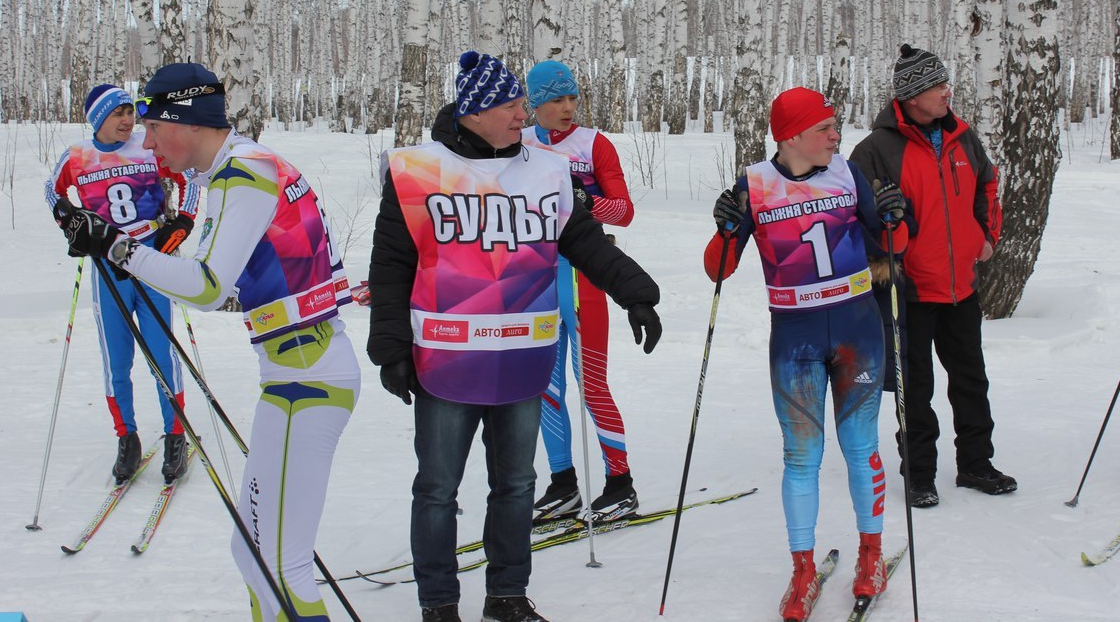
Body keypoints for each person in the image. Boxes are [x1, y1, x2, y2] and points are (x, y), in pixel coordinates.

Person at [53, 63, 359, 622]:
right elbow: (241, 288)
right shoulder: (240, 168)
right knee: (251, 553)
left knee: (280, 569)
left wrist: (118, 249)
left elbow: (207, 286)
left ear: (184, 121)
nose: (145, 141)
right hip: (294, 375)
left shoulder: (242, 172)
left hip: (310, 378)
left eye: (152, 125)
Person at [367, 50, 663, 622]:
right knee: (436, 490)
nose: (521, 113)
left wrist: (637, 292)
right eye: (509, 104)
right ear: (474, 111)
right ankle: (439, 604)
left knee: (516, 486)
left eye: (522, 103)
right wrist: (391, 349)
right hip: (447, 362)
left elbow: (585, 241)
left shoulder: (546, 169)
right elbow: (390, 267)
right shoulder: (415, 171)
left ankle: (506, 596)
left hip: (522, 359)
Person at [704, 87, 908, 620]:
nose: (836, 135)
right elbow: (718, 268)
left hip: (857, 329)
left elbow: (897, 242)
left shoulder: (847, 173)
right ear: (792, 136)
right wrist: (726, 225)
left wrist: (892, 215)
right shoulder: (756, 184)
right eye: (825, 128)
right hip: (793, 338)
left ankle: (870, 554)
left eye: (835, 127)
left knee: (861, 446)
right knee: (801, 458)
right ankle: (801, 569)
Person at [849, 44, 1014, 508]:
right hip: (911, 290)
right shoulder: (876, 149)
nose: (948, 92)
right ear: (914, 94)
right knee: (914, 386)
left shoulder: (964, 138)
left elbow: (988, 184)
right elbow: (858, 215)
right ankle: (919, 473)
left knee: (970, 379)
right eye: (938, 85)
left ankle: (976, 463)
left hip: (962, 284)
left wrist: (988, 235)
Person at [44, 83, 199, 485]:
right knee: (117, 362)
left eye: (130, 112)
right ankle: (126, 438)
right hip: (107, 267)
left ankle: (176, 436)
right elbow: (52, 190)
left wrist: (183, 222)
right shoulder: (77, 156)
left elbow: (191, 179)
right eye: (118, 114)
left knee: (162, 356)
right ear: (98, 119)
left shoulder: (147, 147)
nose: (128, 121)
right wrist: (70, 220)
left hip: (151, 260)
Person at [520, 60, 641, 523]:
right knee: (545, 389)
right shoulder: (520, 144)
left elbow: (624, 211)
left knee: (591, 387)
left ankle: (620, 484)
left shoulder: (594, 144)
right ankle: (563, 483)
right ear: (535, 104)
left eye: (572, 98)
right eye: (556, 99)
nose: (568, 107)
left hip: (584, 279)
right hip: (535, 281)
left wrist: (588, 201)